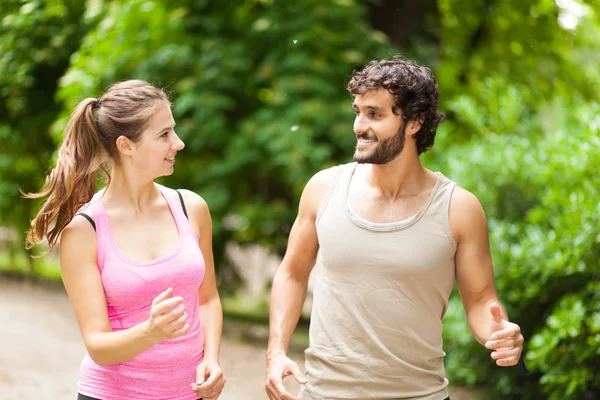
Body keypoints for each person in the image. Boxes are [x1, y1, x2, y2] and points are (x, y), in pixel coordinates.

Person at [265, 58, 525, 400]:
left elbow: (480, 300)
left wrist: (498, 332)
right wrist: (276, 352)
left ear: (415, 121)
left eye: (375, 114)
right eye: (357, 111)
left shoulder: (458, 209)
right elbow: (293, 273)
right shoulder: (323, 189)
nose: (359, 125)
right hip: (324, 393)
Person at [26, 80, 225, 400]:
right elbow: (98, 346)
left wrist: (212, 359)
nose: (179, 143)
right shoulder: (84, 231)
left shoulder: (192, 209)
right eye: (164, 135)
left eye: (173, 130)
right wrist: (151, 331)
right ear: (126, 145)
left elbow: (208, 299)